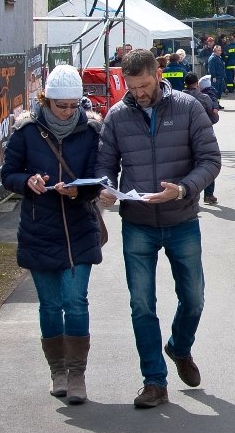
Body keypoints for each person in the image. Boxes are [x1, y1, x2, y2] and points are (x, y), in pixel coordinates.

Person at [95, 49, 222, 409]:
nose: (139, 93)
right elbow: (104, 164)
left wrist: (182, 188)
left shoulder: (188, 108)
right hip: (137, 225)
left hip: (181, 219)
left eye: (145, 85)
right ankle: (154, 381)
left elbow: (210, 161)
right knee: (141, 305)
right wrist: (105, 189)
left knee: (194, 298)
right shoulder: (117, 116)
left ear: (157, 73)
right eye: (132, 87)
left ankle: (179, 347)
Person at [2, 64, 102, 405]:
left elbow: (97, 175)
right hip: (39, 227)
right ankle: (57, 371)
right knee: (50, 304)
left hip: (79, 229)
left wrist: (79, 192)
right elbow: (9, 174)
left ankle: (77, 375)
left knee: (75, 301)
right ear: (46, 101)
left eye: (75, 105)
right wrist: (27, 182)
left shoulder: (90, 130)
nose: (69, 112)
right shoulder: (26, 130)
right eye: (62, 106)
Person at [195, 75, 221, 205]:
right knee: (208, 164)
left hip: (186, 136)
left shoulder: (180, 97)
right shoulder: (205, 98)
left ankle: (189, 195)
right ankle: (209, 195)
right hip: (204, 134)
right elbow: (214, 117)